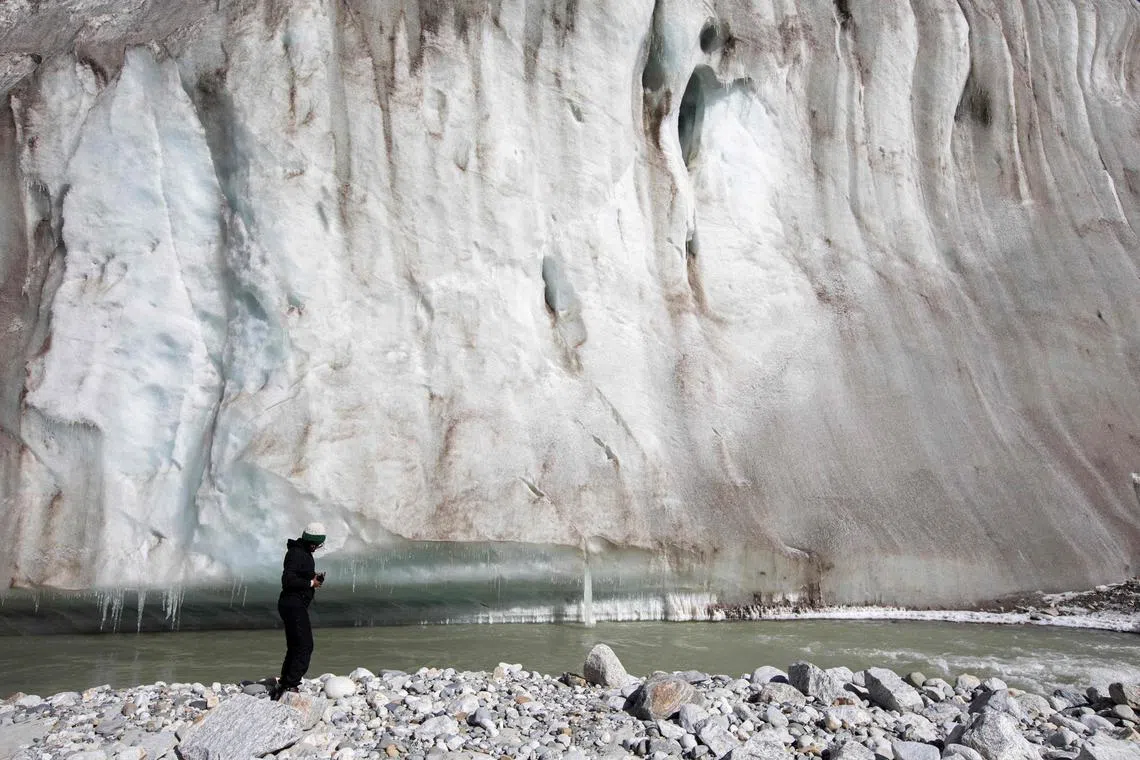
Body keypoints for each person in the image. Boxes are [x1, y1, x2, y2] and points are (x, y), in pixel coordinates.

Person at [273, 522, 326, 700]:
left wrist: (312, 577)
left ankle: (286, 681)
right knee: (304, 645)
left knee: (296, 645)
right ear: (312, 542)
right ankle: (291, 685)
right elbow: (288, 580)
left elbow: (297, 575)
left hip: (294, 605)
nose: (318, 548)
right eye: (318, 545)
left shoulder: (301, 552)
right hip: (292, 605)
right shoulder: (297, 554)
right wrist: (311, 583)